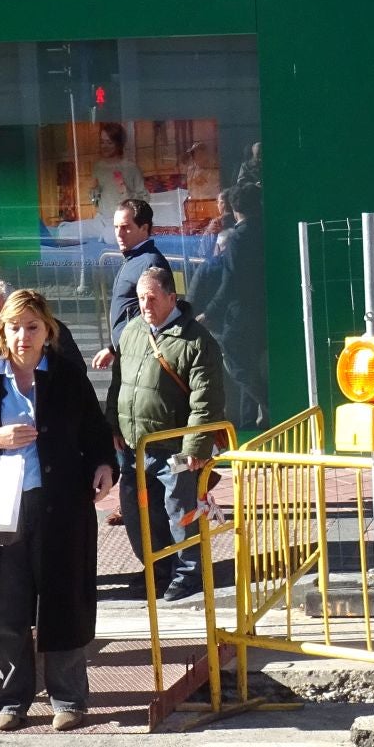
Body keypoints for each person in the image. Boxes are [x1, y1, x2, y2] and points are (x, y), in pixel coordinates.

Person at [0, 289, 116, 732]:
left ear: (48, 330)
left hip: (59, 507)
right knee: (8, 609)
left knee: (65, 603)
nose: (23, 336)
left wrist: (103, 465)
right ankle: (12, 700)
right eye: (15, 327)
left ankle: (68, 699)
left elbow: (96, 432)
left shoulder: (67, 376)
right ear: (2, 330)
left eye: (32, 327)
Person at [108, 266, 225, 601]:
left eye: (152, 298)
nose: (145, 305)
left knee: (181, 511)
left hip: (175, 449)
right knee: (139, 513)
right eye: (141, 298)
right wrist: (113, 426)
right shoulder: (132, 332)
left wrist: (195, 447)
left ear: (171, 298)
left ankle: (188, 574)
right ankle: (157, 569)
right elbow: (119, 385)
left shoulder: (196, 341)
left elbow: (207, 400)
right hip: (135, 447)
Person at [190, 182, 267, 428]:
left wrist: (208, 312)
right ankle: (247, 422)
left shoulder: (238, 239)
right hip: (262, 311)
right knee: (250, 366)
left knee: (239, 369)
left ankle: (269, 404)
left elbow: (230, 281)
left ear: (235, 210)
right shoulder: (265, 232)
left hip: (240, 314)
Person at [89, 198, 171, 372]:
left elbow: (160, 317)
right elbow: (131, 311)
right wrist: (113, 348)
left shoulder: (149, 262)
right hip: (128, 353)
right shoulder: (134, 259)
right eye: (116, 227)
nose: (119, 233)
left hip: (141, 358)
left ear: (144, 228)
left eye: (126, 227)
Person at [89, 123, 145, 229]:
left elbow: (144, 200)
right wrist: (94, 192)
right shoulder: (98, 167)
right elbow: (95, 202)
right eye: (102, 142)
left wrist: (127, 193)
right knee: (67, 230)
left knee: (109, 237)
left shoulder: (131, 168)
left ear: (119, 144)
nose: (104, 146)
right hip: (100, 221)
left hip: (122, 221)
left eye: (109, 142)